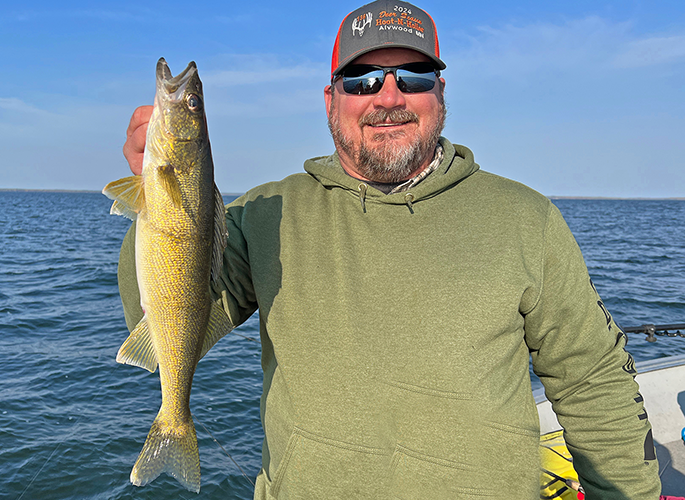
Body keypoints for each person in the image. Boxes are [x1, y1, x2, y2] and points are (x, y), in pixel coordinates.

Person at [116, 1, 661, 498]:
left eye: (415, 76)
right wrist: (156, 201)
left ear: (440, 94)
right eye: (362, 79)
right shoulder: (264, 215)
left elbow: (595, 384)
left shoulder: (525, 218)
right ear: (331, 101)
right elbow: (166, 312)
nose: (388, 96)